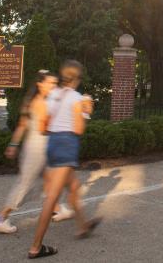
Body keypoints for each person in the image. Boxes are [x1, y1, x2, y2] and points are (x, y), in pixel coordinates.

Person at [27, 60, 100, 259]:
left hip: (52, 144)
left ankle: (83, 226)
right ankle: (36, 247)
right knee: (52, 198)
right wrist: (86, 111)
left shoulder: (53, 96)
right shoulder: (76, 98)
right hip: (67, 146)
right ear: (77, 78)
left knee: (74, 188)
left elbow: (44, 127)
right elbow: (78, 129)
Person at [0, 71, 74, 234]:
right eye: (50, 83)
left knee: (51, 180)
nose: (53, 86)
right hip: (39, 149)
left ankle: (58, 209)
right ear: (40, 84)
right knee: (25, 185)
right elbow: (45, 129)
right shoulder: (42, 103)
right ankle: (1, 218)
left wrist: (13, 144)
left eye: (55, 83)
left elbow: (22, 126)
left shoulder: (32, 101)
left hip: (34, 146)